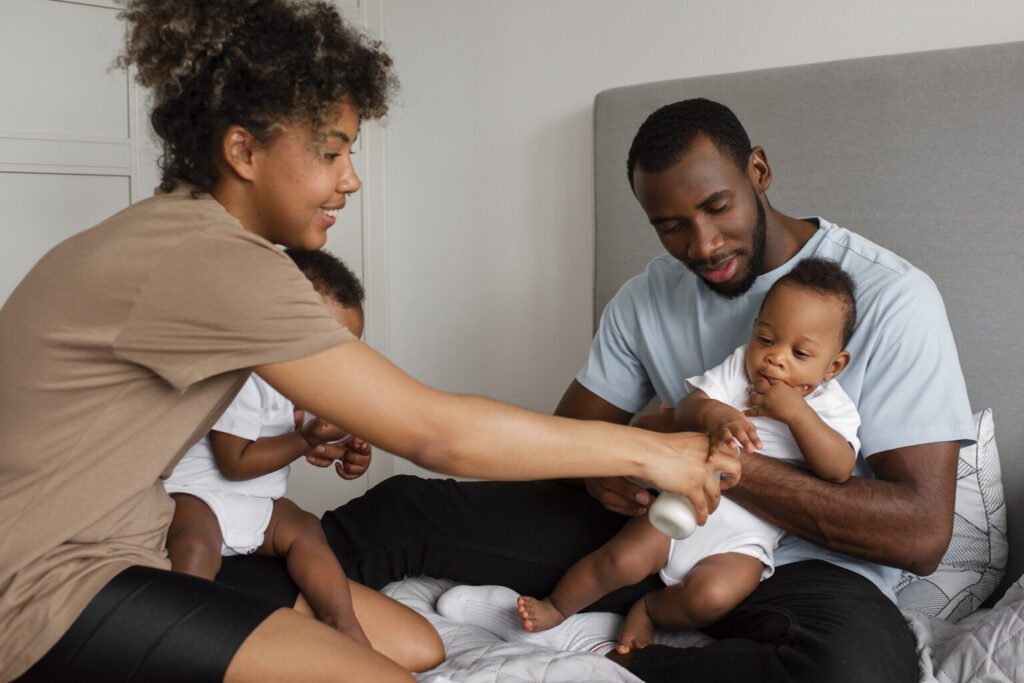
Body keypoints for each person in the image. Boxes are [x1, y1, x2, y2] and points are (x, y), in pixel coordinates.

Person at [0, 4, 740, 681]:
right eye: (331, 151)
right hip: (42, 583)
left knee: (419, 644)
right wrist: (648, 449)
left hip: (132, 537)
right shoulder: (209, 260)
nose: (350, 179)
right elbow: (434, 432)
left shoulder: (193, 236)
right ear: (242, 151)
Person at [319, 98, 974, 683]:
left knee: (859, 670)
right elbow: (566, 446)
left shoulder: (890, 298)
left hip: (805, 569)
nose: (704, 243)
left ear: (760, 173)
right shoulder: (646, 297)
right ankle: (247, 602)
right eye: (670, 225)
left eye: (717, 207)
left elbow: (919, 534)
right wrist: (607, 468)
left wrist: (700, 457)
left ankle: (628, 659)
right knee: (401, 509)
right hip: (657, 528)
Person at [516, 257, 862, 654]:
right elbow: (687, 408)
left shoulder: (831, 408)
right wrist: (716, 414)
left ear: (833, 366)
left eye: (800, 353)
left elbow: (838, 469)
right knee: (621, 561)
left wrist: (798, 414)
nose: (775, 358)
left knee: (712, 597)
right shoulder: (738, 371)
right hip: (686, 500)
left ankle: (650, 610)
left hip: (746, 536)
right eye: (766, 340)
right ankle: (558, 606)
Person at [165, 248, 381, 647]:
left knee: (305, 527)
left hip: (261, 501)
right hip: (196, 494)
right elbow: (234, 463)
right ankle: (182, 632)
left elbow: (330, 431)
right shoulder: (246, 377)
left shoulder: (312, 382)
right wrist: (306, 439)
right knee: (194, 545)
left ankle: (342, 622)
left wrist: (352, 451)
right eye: (324, 347)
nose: (335, 363)